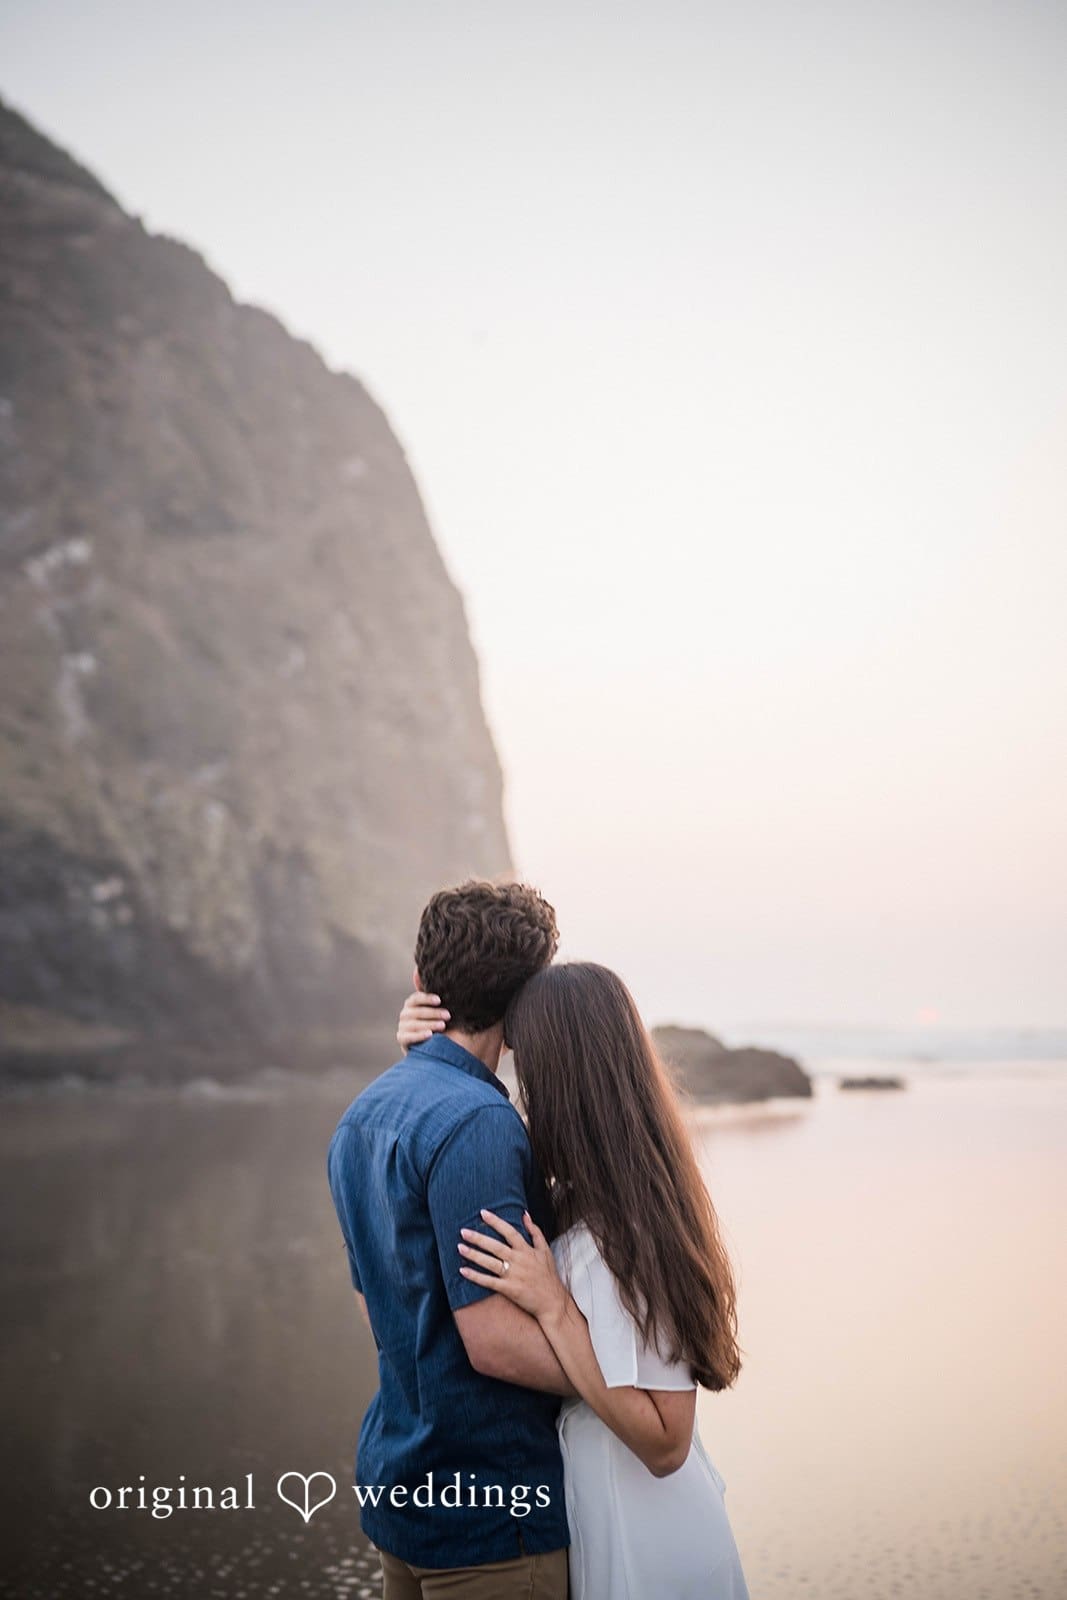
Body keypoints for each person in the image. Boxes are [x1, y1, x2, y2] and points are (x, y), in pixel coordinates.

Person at [398, 960, 751, 1600]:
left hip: (651, 1541)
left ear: (561, 1075)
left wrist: (555, 1308)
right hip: (601, 1514)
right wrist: (422, 1054)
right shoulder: (583, 1194)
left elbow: (667, 1442)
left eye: (523, 1061)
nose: (515, 1079)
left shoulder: (635, 1228)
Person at [327, 880, 571, 1600]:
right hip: (488, 1510)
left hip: (401, 1481)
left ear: (420, 982)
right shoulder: (478, 1124)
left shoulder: (364, 1112)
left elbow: (379, 1308)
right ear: (529, 997)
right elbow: (492, 1341)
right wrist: (627, 1386)